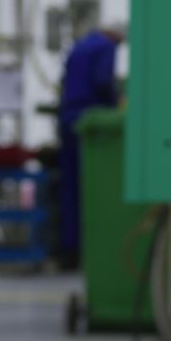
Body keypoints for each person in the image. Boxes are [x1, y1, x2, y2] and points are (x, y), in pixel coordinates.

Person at [57, 26, 124, 270]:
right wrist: (117, 103)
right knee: (87, 190)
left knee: (71, 189)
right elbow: (102, 80)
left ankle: (69, 250)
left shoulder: (82, 45)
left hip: (69, 119)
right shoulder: (105, 47)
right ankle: (81, 251)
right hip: (89, 121)